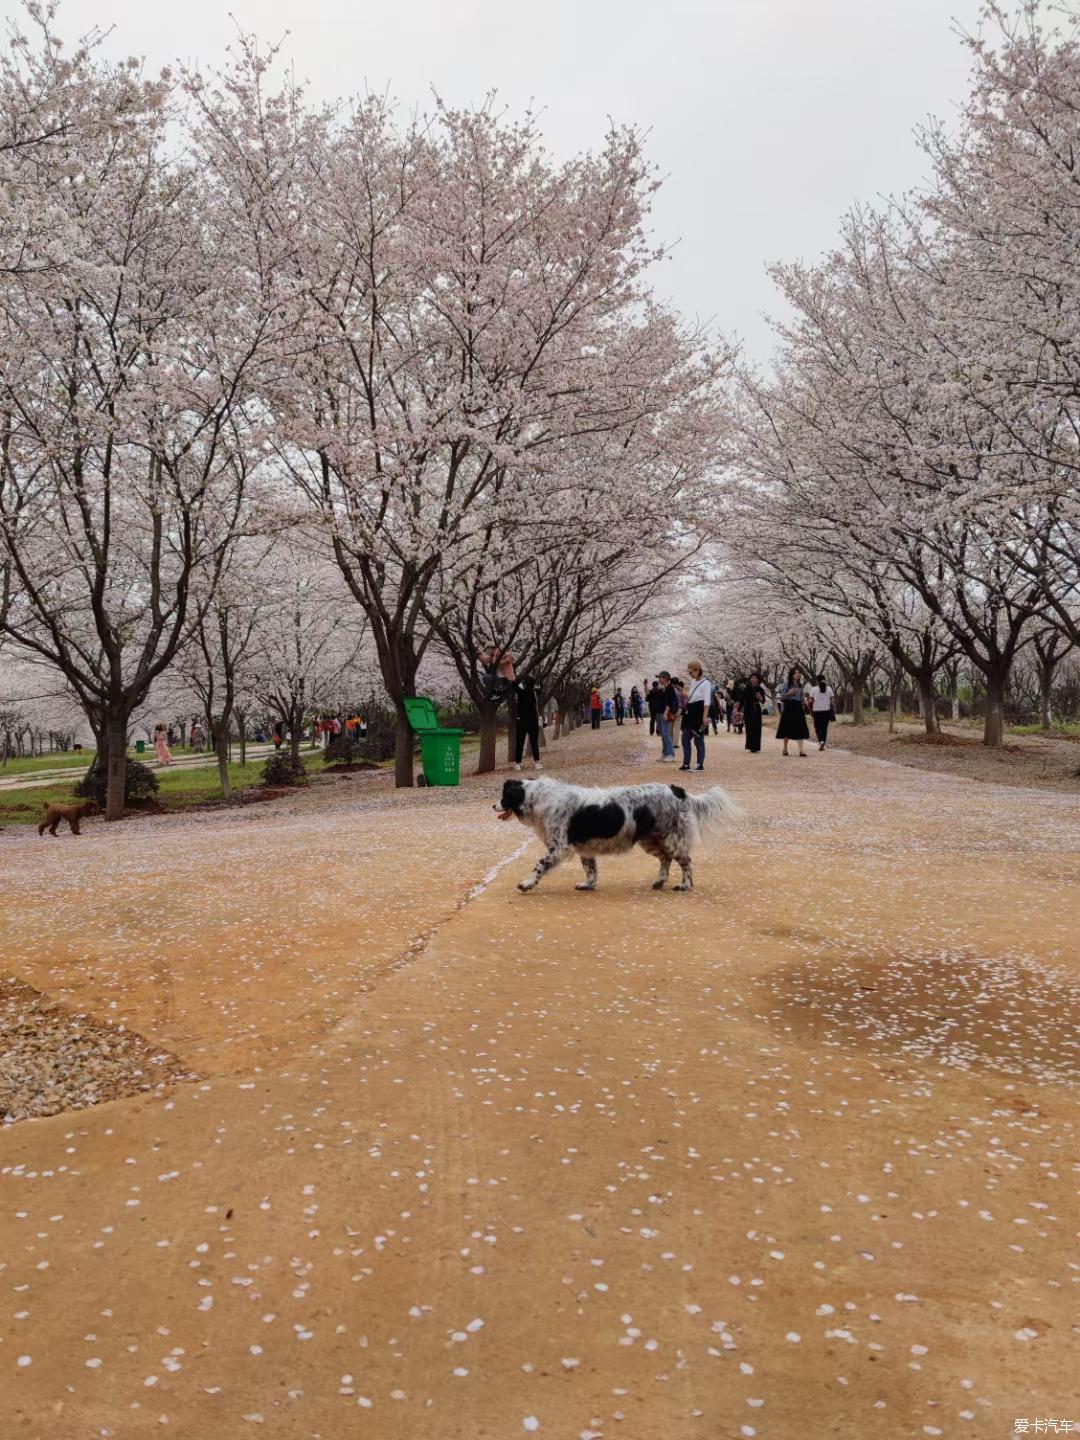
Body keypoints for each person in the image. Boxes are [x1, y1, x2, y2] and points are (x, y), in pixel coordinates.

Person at [679, 661, 712, 771]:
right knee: (684, 738)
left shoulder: (706, 684)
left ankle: (699, 763)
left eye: (691, 672)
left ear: (697, 670)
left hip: (699, 711)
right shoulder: (693, 681)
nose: (690, 674)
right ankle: (686, 763)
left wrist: (704, 717)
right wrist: (681, 691)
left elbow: (707, 702)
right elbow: (690, 696)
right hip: (690, 711)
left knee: (698, 739)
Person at [777, 666, 810, 757]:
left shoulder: (800, 685)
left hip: (798, 707)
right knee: (786, 727)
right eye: (795, 673)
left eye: (799, 673)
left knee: (801, 727)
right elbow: (782, 697)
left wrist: (805, 701)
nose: (797, 674)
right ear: (791, 674)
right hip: (788, 707)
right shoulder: (786, 684)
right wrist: (789, 693)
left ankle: (801, 750)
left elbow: (801, 697)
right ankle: (785, 748)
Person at [512, 676, 543, 771]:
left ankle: (517, 764)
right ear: (533, 684)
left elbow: (514, 686)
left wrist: (515, 679)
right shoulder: (534, 693)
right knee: (534, 743)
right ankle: (537, 763)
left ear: (524, 683)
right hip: (533, 720)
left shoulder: (521, 692)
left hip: (521, 720)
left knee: (520, 743)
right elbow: (540, 688)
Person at [809, 674, 836, 750]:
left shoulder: (813, 689)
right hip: (826, 711)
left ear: (817, 681)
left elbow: (810, 700)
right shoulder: (829, 689)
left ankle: (820, 741)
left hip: (816, 712)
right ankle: (823, 741)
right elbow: (832, 700)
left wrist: (808, 701)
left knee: (817, 728)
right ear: (824, 680)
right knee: (824, 728)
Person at [657, 670, 679, 762]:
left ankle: (671, 754)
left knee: (666, 734)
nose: (659, 680)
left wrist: (666, 713)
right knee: (663, 734)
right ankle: (665, 753)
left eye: (661, 678)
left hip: (665, 713)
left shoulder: (670, 688)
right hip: (660, 712)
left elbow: (670, 702)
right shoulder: (664, 688)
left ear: (666, 678)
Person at [741, 673, 766, 753]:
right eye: (751, 678)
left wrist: (760, 697)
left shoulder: (760, 689)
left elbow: (763, 701)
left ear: (758, 679)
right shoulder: (747, 688)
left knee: (757, 728)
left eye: (754, 678)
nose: (752, 679)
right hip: (748, 709)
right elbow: (742, 699)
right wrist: (739, 709)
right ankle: (750, 745)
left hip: (756, 709)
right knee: (749, 727)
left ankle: (756, 746)